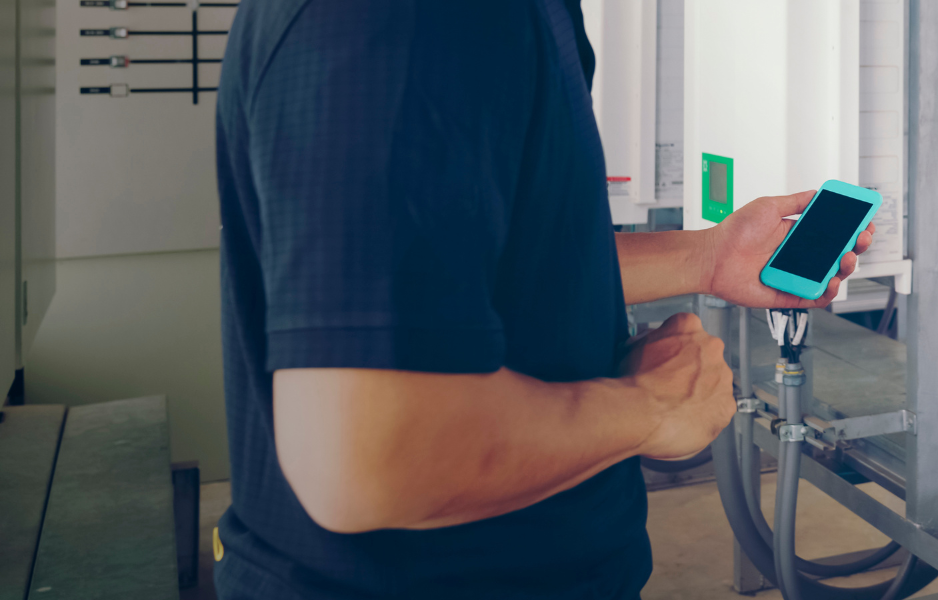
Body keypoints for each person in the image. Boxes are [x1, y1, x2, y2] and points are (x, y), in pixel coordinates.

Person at [210, 1, 871, 597]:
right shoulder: (418, 18)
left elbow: (477, 267)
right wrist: (653, 410)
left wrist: (708, 256)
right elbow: (371, 455)